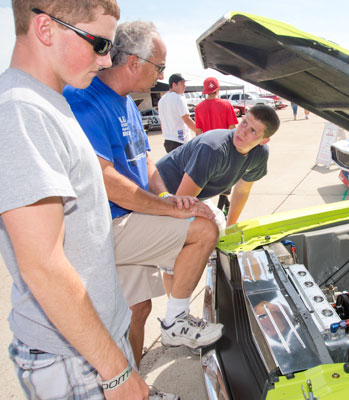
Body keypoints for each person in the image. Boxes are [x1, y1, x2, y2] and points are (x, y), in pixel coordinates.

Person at [0, 1, 157, 398]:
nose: (107, 61)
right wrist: (117, 372)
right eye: (99, 44)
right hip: (74, 356)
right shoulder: (22, 111)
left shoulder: (50, 101)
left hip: (92, 341)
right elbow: (44, 267)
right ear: (46, 29)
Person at [63, 21, 223, 370]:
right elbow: (107, 180)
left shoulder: (127, 103)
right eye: (159, 67)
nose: (161, 76)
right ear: (134, 62)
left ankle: (134, 388)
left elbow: (144, 158)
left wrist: (167, 196)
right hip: (104, 226)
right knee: (204, 228)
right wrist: (170, 212)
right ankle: (176, 321)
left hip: (128, 217)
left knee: (138, 309)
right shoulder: (85, 100)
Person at [155, 105, 280, 227]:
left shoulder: (260, 154)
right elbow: (182, 202)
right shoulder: (214, 148)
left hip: (191, 196)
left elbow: (242, 191)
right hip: (158, 194)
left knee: (220, 226)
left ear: (264, 141)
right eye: (244, 123)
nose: (243, 131)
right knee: (207, 231)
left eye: (253, 130)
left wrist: (230, 228)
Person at [194, 76, 239, 215]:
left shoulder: (198, 107)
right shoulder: (226, 105)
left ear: (205, 91)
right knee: (227, 179)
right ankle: (220, 210)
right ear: (217, 89)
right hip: (225, 147)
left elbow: (198, 132)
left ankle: (225, 206)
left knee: (209, 181)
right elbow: (232, 128)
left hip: (207, 148)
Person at [158, 73, 198, 153]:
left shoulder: (162, 100)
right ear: (174, 84)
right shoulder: (178, 98)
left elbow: (162, 122)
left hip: (168, 141)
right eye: (182, 83)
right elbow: (187, 119)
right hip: (180, 141)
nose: (184, 86)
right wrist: (199, 131)